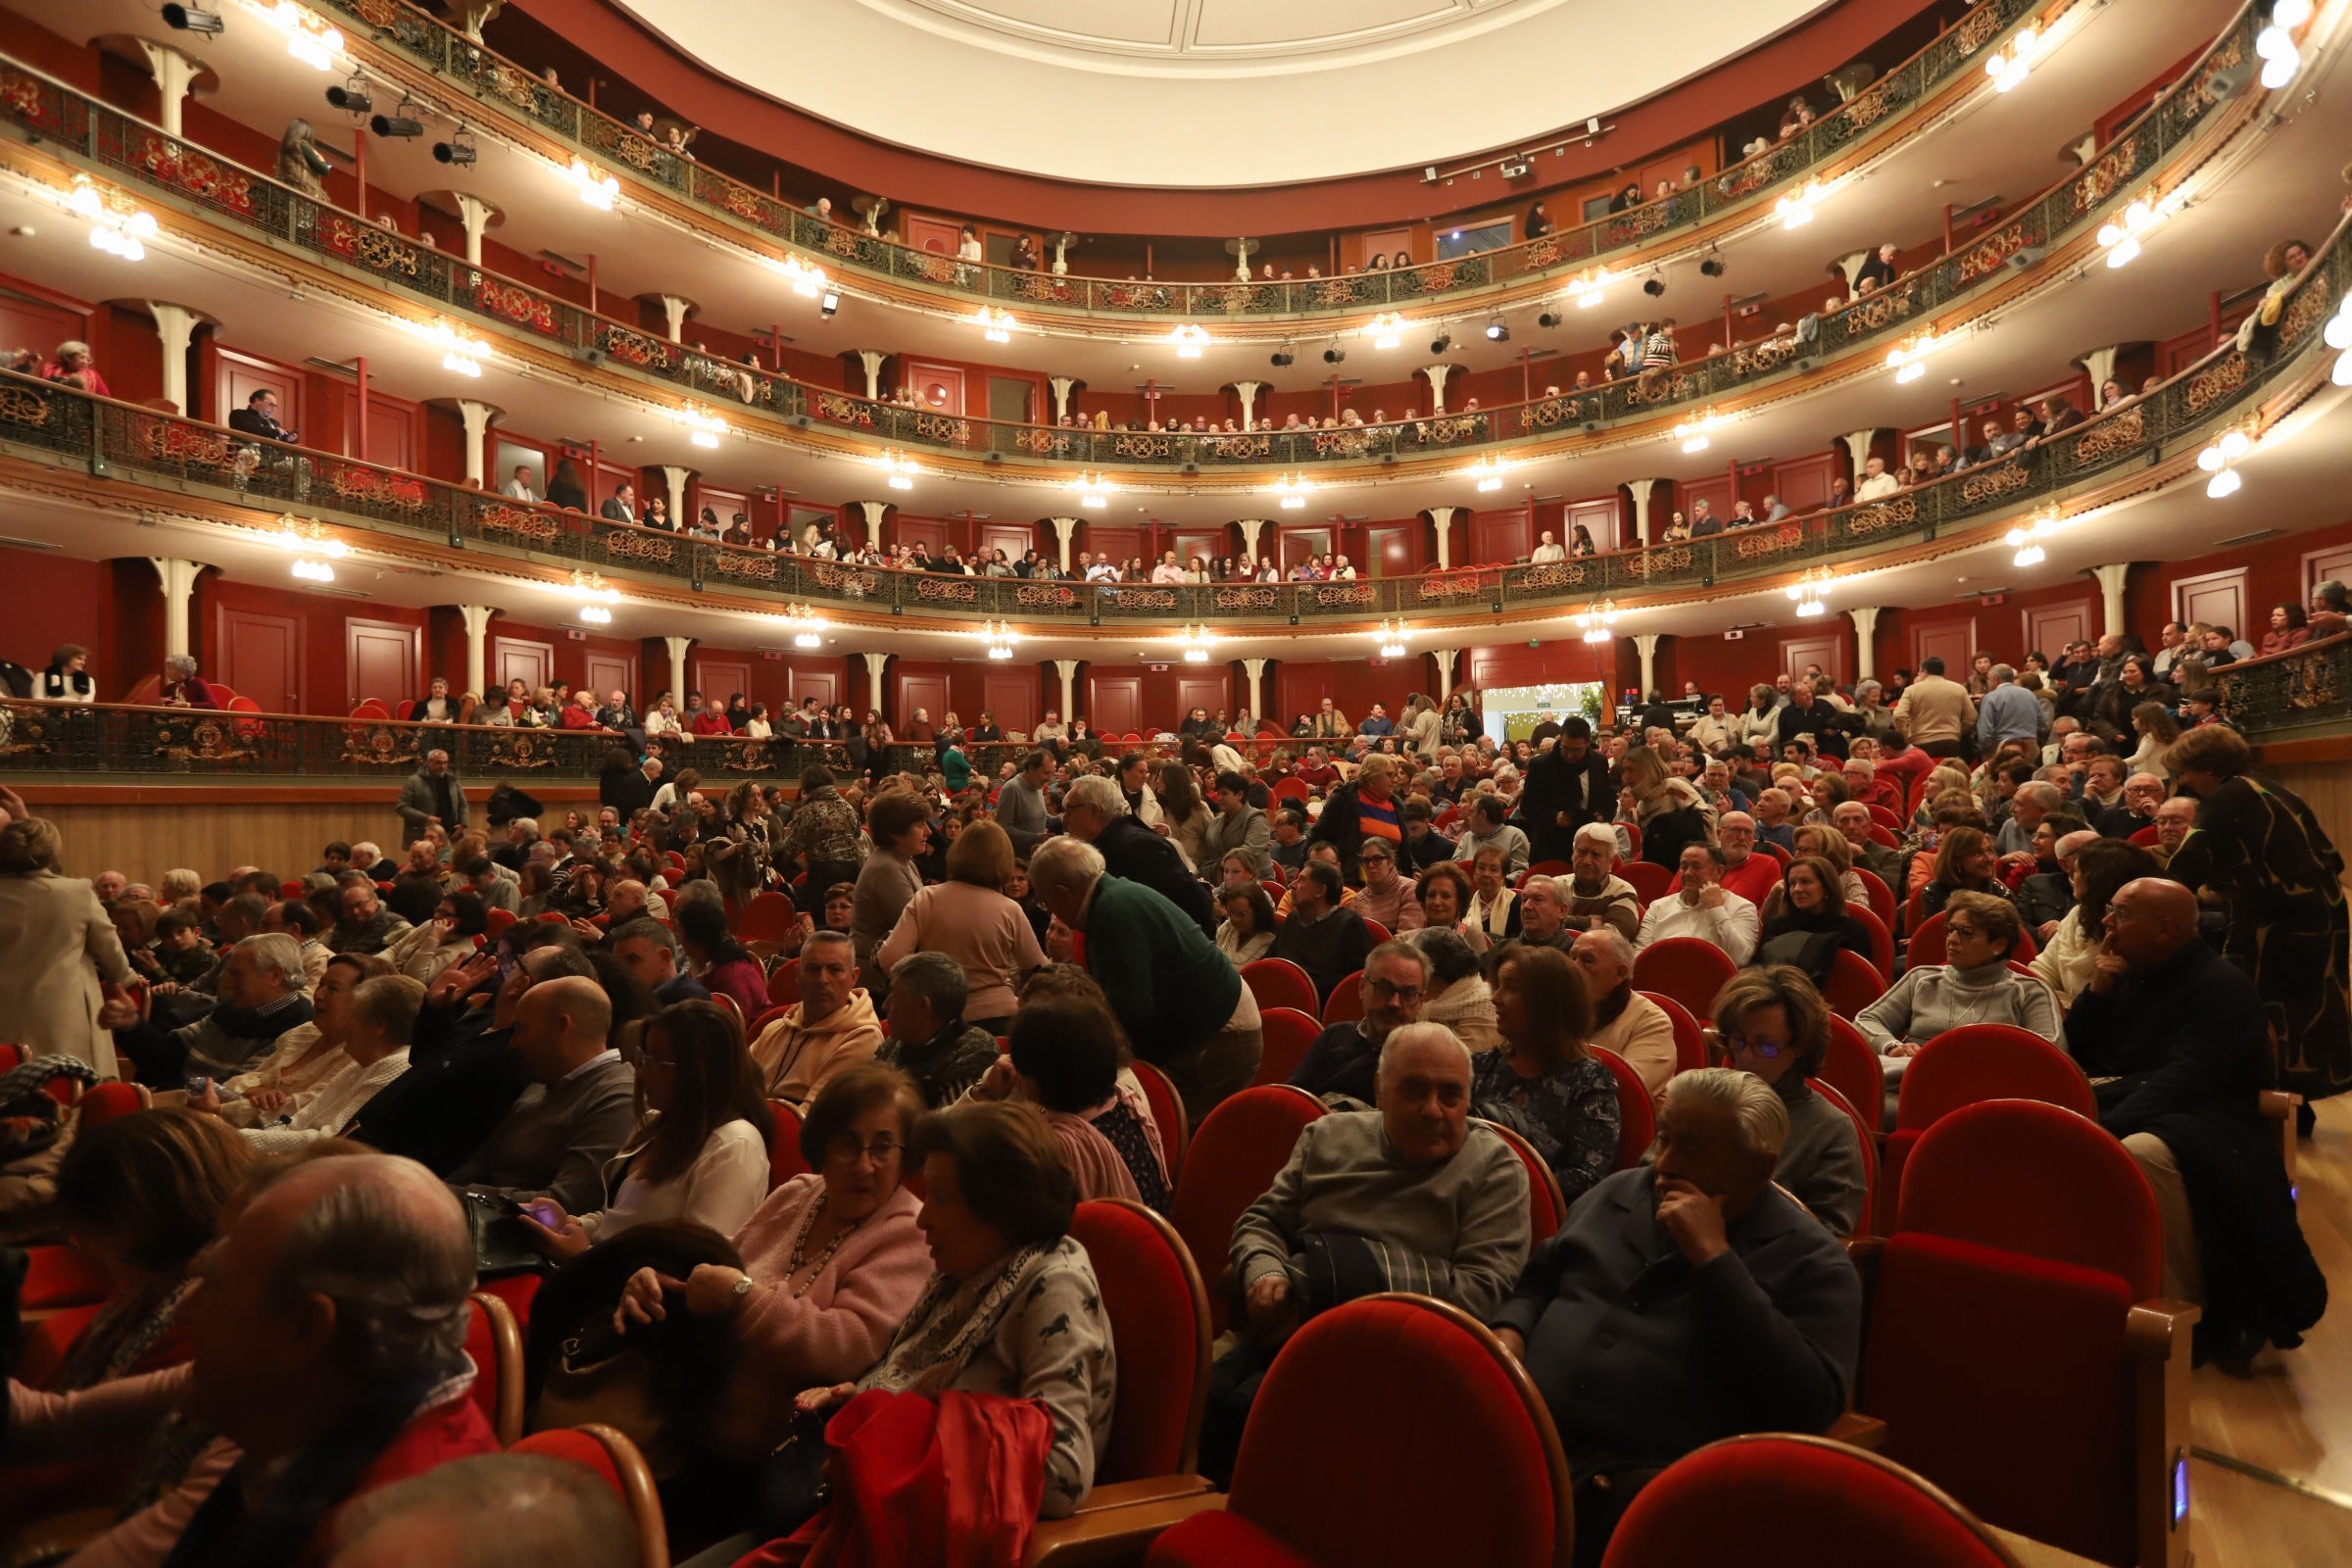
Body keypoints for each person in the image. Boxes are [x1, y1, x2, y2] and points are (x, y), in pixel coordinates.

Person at [10, 1154, 501, 1563]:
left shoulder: (375, 1543)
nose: (188, 1308)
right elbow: (52, 1421)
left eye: (215, 1285)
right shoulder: (322, 1391)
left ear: (304, 1328)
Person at [1488, 1069, 1861, 1555]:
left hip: (1654, 1501)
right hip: (1525, 1445)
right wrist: (1508, 1333)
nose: (1664, 1164)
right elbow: (1538, 1283)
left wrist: (1715, 1259)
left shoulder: (1814, 1264)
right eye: (1664, 1139)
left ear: (1759, 1167)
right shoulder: (1617, 1193)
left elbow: (1808, 1405)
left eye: (1693, 1148)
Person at [1213, 1023, 1529, 1482]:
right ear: (1380, 1092)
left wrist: (1321, 1299)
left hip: (1393, 1362)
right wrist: (1263, 1272)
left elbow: (1478, 1294)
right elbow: (1262, 1222)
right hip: (1272, 1321)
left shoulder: (1495, 1169)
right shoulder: (1328, 1137)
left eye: (1451, 1095)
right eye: (1414, 1090)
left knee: (1257, 1428)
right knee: (1184, 1400)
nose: (1432, 1110)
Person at [786, 1101, 1115, 1525]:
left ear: (1001, 1208)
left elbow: (1060, 1478)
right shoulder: (966, 1270)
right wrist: (867, 1398)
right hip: (876, 1513)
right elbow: (907, 1381)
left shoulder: (1054, 1285)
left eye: (940, 1198)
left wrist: (899, 1432)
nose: (923, 1220)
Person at [2064, 879, 2326, 1359]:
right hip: (2151, 1100)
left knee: (2140, 1150)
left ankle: (2183, 1311)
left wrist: (2100, 1133)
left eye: (2119, 914)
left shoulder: (2219, 986)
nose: (2106, 923)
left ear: (2164, 929)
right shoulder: (2132, 972)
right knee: (2049, 1118)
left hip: (2215, 1120)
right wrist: (2097, 993)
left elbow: (2187, 1078)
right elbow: (2082, 1053)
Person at [2162, 724, 2349, 1113]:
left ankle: (2274, 1110)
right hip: (2325, 909)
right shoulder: (2271, 788)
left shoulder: (2225, 801)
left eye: (2186, 771)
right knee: (2314, 1008)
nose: (2184, 781)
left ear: (2208, 767)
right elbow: (2336, 858)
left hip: (2277, 924)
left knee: (2265, 1011)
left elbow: (2183, 870)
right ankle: (2298, 1109)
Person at [1028, 836, 1261, 1124]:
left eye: (1043, 899)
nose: (1045, 907)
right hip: (1211, 1026)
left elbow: (1130, 1010)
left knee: (1154, 1126)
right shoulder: (1110, 897)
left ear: (1063, 893)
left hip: (1221, 1037)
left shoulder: (1113, 910)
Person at [519, 999, 770, 1262]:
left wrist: (585, 1257)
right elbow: (621, 1217)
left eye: (660, 1062)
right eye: (645, 1057)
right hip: (599, 1273)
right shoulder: (656, 1122)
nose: (642, 1074)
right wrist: (571, 1224)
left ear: (703, 1071)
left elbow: (698, 1267)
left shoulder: (735, 1147)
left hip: (635, 1296)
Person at [447, 974, 638, 1214]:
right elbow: (482, 1162)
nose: (513, 1043)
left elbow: (562, 1205)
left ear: (561, 1027)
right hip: (474, 1215)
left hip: (516, 1239)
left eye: (520, 1030)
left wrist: (448, 1196)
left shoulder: (618, 1098)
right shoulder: (545, 1078)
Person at [1857, 892, 2059, 1110]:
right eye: (1951, 929)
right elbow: (1865, 1020)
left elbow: (2048, 1056)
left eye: (1966, 933)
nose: (1952, 939)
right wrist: (1892, 1046)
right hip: (1911, 1087)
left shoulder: (2029, 992)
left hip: (1982, 1098)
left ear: (1998, 945)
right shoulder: (1923, 979)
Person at [1710, 967, 1868, 1234]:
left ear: (1799, 1048)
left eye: (1766, 1046)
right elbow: (1649, 1174)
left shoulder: (1831, 1129)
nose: (1746, 1058)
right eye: (1738, 1041)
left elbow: (1827, 1242)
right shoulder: (1704, 1101)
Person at [1473, 946, 1619, 1201]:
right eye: (1497, 986)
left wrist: (1500, 1187)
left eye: (1511, 988)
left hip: (1541, 1216)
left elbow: (1586, 1177)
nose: (1495, 998)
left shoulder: (1590, 1082)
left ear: (1548, 1003)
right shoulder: (1481, 1066)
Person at [875, 820, 1044, 1037]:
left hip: (941, 1017)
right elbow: (1038, 967)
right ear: (1004, 861)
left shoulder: (927, 899)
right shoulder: (1009, 909)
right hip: (998, 1017)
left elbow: (889, 958)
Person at [0, 814, 134, 1077]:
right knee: (72, 1093)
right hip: (65, 1017)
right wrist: (125, 978)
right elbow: (114, 959)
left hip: (5, 1020)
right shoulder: (77, 892)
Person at [1059, 775, 1217, 941]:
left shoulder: (1138, 847)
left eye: (1070, 810)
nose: (1065, 820)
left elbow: (1195, 903)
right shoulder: (1110, 843)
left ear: (1094, 811)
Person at [746, 932, 883, 1104]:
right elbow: (736, 1089)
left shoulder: (863, 1038)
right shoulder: (775, 1028)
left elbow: (814, 1118)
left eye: (835, 970)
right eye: (813, 969)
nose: (822, 979)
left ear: (853, 978)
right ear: (797, 974)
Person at [1290, 940, 1430, 1105]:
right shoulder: (1334, 1036)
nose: (1394, 1003)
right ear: (1362, 988)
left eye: (1408, 993)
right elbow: (1293, 1102)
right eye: (1384, 988)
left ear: (1421, 1002)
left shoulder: (1428, 1058)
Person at [875, 951, 1000, 1107]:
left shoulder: (972, 1054)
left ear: (922, 1006)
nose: (885, 1005)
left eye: (894, 995)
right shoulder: (895, 1043)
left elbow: (949, 1127)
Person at [1570, 926, 1676, 1104]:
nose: (1573, 967)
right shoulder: (1556, 1005)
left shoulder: (1652, 1021)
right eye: (1572, 957)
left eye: (1587, 960)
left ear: (1619, 973)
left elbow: (1623, 1094)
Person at [1751, 855, 1874, 986]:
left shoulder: (1851, 932)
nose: (1797, 889)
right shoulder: (1776, 926)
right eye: (1792, 883)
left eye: (1805, 882)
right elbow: (1759, 974)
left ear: (1827, 887)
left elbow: (1859, 985)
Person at [1633, 843, 1760, 963]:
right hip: (1660, 978)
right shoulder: (1658, 907)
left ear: (1719, 872)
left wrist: (1715, 909)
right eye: (1684, 866)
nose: (1688, 873)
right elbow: (1640, 955)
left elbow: (1740, 959)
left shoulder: (1743, 907)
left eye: (1696, 866)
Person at [1271, 861, 1376, 1004]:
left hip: (1322, 1005)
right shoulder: (1292, 919)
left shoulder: (1350, 924)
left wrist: (1301, 985)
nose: (1291, 885)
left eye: (1301, 880)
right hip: (1280, 998)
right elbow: (1268, 963)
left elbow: (1354, 982)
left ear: (1320, 891)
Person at [1522, 718, 1616, 864]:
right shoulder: (1541, 765)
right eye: (1565, 748)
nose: (1570, 755)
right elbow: (1527, 806)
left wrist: (1603, 815)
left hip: (1590, 847)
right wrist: (1555, 816)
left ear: (1588, 742)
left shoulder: (1599, 762)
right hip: (1550, 848)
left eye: (1577, 750)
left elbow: (1609, 798)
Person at [1413, 926, 1499, 1052]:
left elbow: (1456, 1060)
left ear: (1432, 973)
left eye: (1415, 969)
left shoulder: (1485, 1007)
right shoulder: (1422, 999)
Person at [396, 751, 468, 846]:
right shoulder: (414, 781)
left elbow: (463, 805)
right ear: (428, 762)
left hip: (452, 834)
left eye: (445, 763)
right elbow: (401, 807)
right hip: (424, 834)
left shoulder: (453, 781)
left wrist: (463, 823)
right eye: (438, 763)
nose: (442, 766)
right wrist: (426, 818)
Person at [1452, 794, 1532, 878]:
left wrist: (1497, 882)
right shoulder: (1467, 836)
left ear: (1482, 815)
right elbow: (1454, 868)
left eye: (1471, 812)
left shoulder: (1515, 836)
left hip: (1502, 889)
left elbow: (1520, 872)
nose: (1468, 817)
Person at [1215, 882, 1278, 968]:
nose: (1233, 919)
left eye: (1241, 914)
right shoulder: (1228, 926)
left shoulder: (1268, 942)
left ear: (1258, 912)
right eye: (1230, 912)